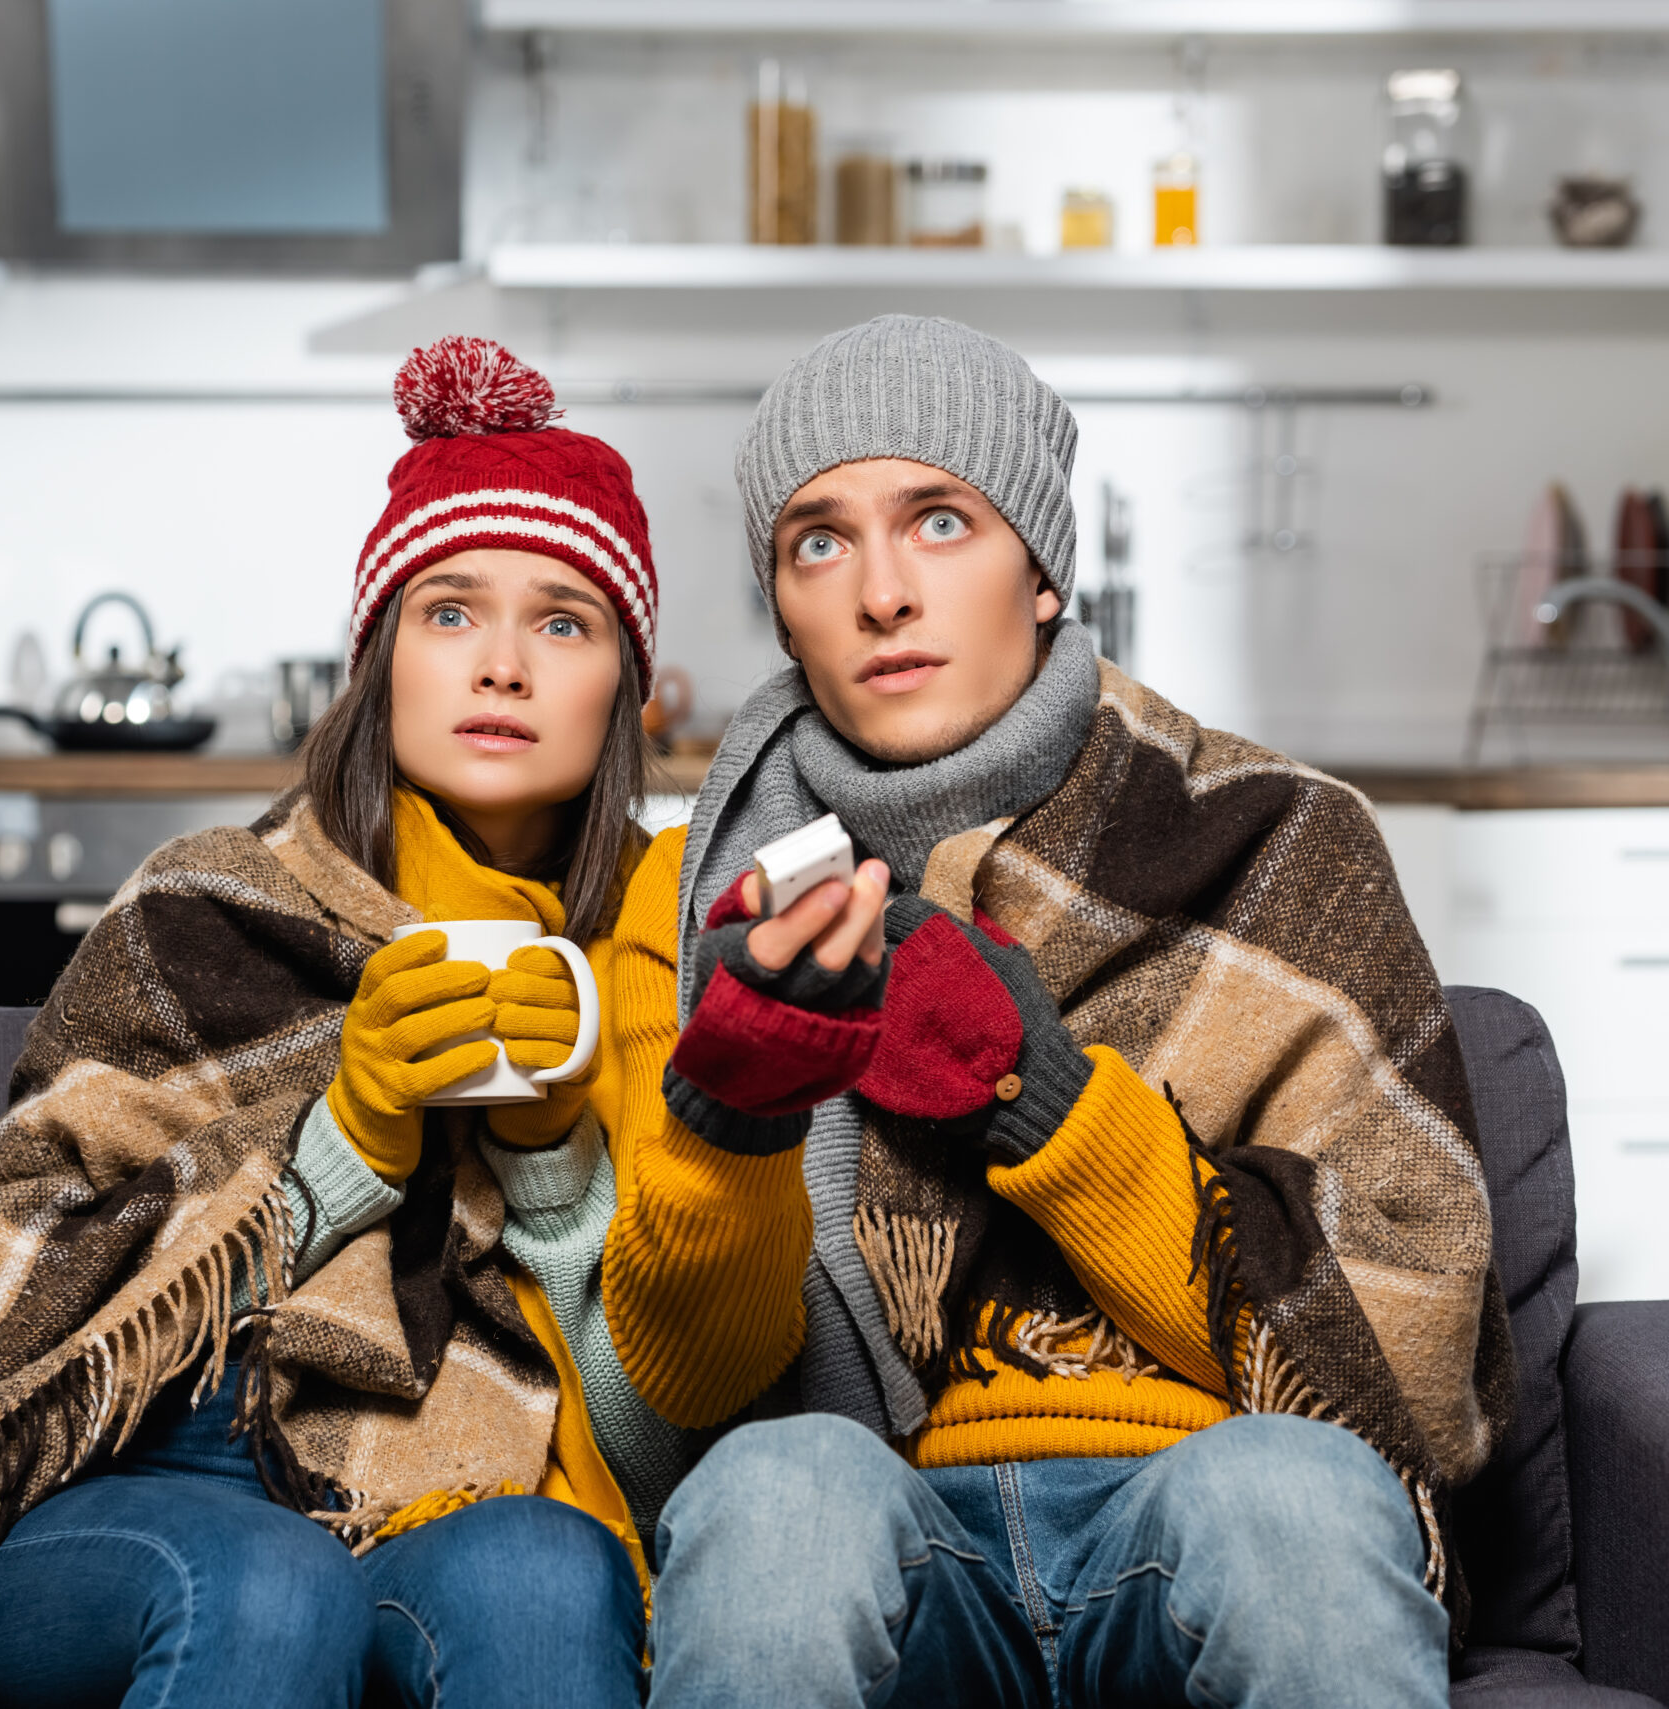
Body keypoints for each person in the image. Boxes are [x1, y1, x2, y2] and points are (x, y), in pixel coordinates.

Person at [642, 314, 1514, 1709]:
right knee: (771, 1487)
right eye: (820, 540)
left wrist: (1039, 1093)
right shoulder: (713, 894)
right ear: (783, 600)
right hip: (902, 1528)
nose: (881, 593)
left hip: (1201, 1497)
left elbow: (1413, 1333)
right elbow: (685, 1393)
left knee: (1286, 1497)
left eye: (940, 521)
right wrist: (731, 1118)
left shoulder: (1282, 840)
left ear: (1041, 572)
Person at [0, 334, 810, 1708]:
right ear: (380, 656)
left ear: (622, 693)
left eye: (565, 621)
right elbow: (26, 1302)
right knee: (265, 1585)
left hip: (453, 1476)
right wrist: (349, 1135)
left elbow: (658, 1444)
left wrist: (545, 1156)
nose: (504, 665)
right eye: (450, 611)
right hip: (136, 1479)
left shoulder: (656, 953)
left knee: (552, 1565)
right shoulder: (208, 905)